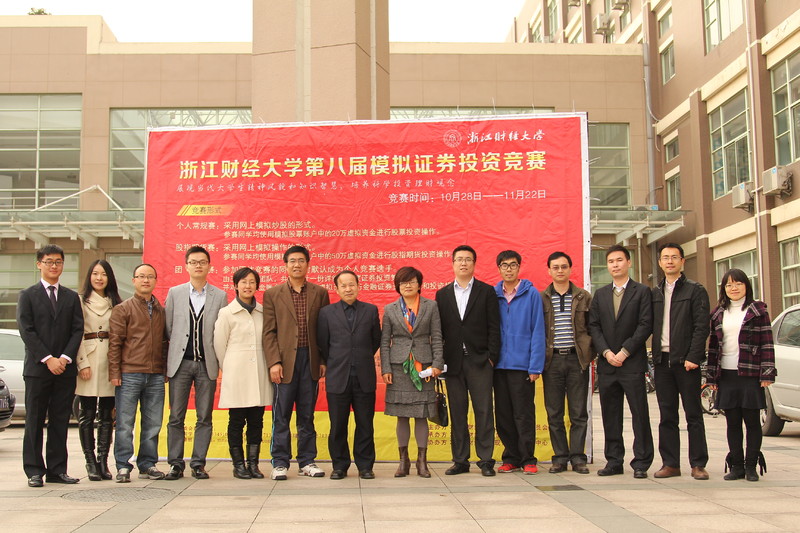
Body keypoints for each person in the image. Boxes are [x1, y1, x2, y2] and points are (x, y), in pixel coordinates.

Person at [17, 244, 84, 487]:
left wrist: (64, 358)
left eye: (58, 262)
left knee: (59, 420)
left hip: (64, 369)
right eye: (49, 262)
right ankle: (34, 470)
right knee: (34, 420)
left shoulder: (71, 297)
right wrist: (48, 358)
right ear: (39, 264)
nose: (54, 266)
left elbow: (77, 330)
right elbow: (27, 330)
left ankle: (57, 470)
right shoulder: (28, 295)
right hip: (38, 369)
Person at [263, 245, 330, 480]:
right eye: (292, 261)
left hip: (310, 361)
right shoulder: (273, 294)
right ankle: (280, 462)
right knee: (281, 414)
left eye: (301, 260)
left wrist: (322, 359)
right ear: (286, 265)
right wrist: (274, 362)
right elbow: (269, 332)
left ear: (308, 264)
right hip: (284, 362)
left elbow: (324, 331)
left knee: (306, 414)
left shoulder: (320, 293)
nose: (297, 265)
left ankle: (307, 461)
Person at [588, 244, 654, 479]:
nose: (615, 265)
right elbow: (594, 326)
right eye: (610, 262)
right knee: (610, 414)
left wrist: (625, 351)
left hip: (632, 363)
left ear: (629, 262)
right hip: (607, 365)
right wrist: (606, 352)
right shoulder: (600, 294)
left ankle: (641, 462)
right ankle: (614, 460)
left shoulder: (642, 292)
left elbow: (645, 325)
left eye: (619, 260)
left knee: (639, 413)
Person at [435, 245, 501, 477]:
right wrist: (440, 361)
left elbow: (494, 327)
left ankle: (486, 460)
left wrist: (491, 357)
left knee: (484, 411)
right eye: (459, 259)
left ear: (474, 263)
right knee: (458, 412)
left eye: (468, 259)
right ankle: (460, 460)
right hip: (453, 363)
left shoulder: (486, 291)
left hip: (480, 361)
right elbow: (439, 332)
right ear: (452, 263)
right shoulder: (442, 294)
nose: (463, 263)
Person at [164, 246, 228, 480]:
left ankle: (198, 463)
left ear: (209, 266)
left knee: (204, 417)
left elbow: (221, 331)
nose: (198, 265)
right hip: (180, 364)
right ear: (186, 266)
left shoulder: (220, 296)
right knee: (176, 416)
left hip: (206, 364)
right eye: (193, 262)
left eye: (202, 262)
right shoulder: (175, 293)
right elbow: (168, 328)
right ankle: (175, 464)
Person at [707, 269, 776, 482]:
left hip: (750, 372)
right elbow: (713, 347)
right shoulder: (718, 313)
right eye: (728, 285)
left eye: (738, 284)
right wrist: (712, 377)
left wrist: (767, 373)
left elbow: (767, 343)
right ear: (723, 289)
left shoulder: (758, 311)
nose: (733, 288)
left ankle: (751, 466)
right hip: (726, 374)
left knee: (752, 421)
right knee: (733, 422)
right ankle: (736, 466)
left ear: (746, 286)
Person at [651, 243, 710, 480]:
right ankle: (671, 464)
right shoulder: (655, 292)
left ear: (682, 261)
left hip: (686, 362)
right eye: (665, 257)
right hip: (662, 362)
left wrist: (693, 357)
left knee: (693, 414)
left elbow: (701, 326)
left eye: (674, 257)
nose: (670, 261)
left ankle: (698, 464)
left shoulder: (695, 290)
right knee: (667, 415)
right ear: (660, 263)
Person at [381, 266, 444, 478]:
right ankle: (403, 461)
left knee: (421, 416)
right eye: (403, 282)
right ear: (397, 286)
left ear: (419, 284)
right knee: (401, 416)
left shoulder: (431, 306)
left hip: (424, 367)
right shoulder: (390, 309)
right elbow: (384, 342)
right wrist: (386, 368)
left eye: (411, 281)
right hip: (398, 368)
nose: (407, 285)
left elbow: (437, 336)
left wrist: (437, 363)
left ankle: (422, 462)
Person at [108, 264, 169, 483]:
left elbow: (165, 342)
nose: (146, 280)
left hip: (155, 375)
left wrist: (164, 370)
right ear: (134, 280)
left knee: (153, 423)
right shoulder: (123, 309)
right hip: (129, 373)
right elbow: (115, 343)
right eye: (141, 276)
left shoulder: (161, 310)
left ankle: (147, 464)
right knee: (125, 423)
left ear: (155, 281)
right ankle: (123, 465)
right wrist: (115, 372)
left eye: (150, 277)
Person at [318, 270, 381, 480]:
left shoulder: (370, 311)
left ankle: (365, 466)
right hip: (338, 376)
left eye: (351, 284)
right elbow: (323, 343)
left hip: (364, 376)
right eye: (343, 285)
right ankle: (339, 466)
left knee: (365, 424)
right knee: (338, 425)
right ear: (336, 289)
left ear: (358, 286)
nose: (348, 289)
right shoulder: (326, 313)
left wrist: (359, 356)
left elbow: (375, 341)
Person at [214, 267, 271, 479]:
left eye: (252, 282)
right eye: (244, 282)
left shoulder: (263, 312)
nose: (248, 286)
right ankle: (238, 465)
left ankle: (253, 464)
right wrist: (230, 367)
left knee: (256, 421)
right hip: (236, 374)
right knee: (237, 421)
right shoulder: (226, 313)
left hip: (259, 373)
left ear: (257, 286)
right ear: (236, 285)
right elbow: (219, 346)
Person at [492, 250, 545, 475]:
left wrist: (535, 366)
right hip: (498, 367)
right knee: (503, 415)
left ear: (519, 267)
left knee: (523, 414)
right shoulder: (493, 294)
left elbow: (538, 331)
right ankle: (510, 457)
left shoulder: (531, 294)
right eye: (504, 265)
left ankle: (528, 459)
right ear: (499, 268)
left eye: (513, 265)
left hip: (522, 366)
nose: (509, 269)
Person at [540, 251, 593, 474]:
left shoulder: (584, 297)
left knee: (578, 412)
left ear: (570, 269)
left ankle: (578, 458)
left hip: (576, 360)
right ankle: (560, 458)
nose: (560, 270)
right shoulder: (541, 298)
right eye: (556, 267)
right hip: (551, 361)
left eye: (564, 266)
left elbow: (593, 328)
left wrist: (590, 354)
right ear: (549, 271)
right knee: (554, 412)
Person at [76, 259, 123, 481]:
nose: (99, 278)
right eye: (95, 273)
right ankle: (90, 461)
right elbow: (76, 333)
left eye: (103, 274)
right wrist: (82, 363)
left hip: (109, 361)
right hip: (89, 357)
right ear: (89, 276)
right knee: (86, 414)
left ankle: (103, 460)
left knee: (106, 415)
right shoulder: (80, 301)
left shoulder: (116, 302)